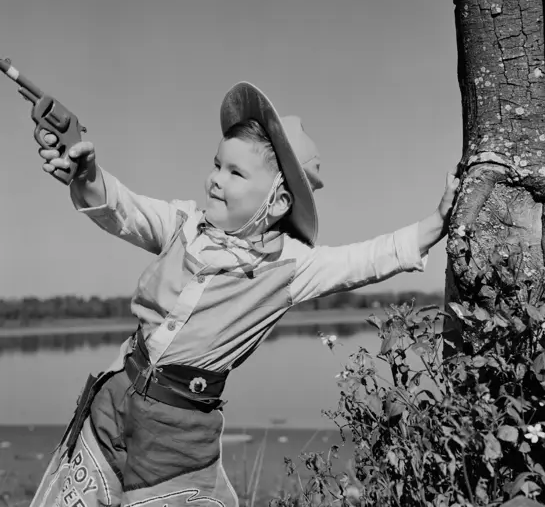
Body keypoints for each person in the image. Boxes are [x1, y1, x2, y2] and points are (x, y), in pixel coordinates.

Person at [30, 81, 458, 507]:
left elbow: (364, 260)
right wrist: (85, 173)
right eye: (217, 165)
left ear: (277, 201)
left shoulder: (288, 267)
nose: (215, 181)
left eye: (235, 173)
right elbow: (124, 209)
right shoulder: (184, 223)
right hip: (113, 397)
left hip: (176, 431)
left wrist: (434, 225)